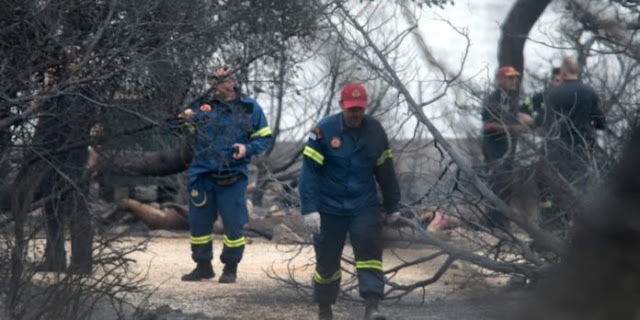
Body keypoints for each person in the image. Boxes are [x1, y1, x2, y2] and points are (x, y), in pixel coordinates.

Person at [299, 82, 401, 320]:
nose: (356, 114)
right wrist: (310, 209)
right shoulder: (323, 131)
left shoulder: (375, 131)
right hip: (328, 208)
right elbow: (309, 172)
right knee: (326, 263)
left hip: (362, 205)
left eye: (359, 109)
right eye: (351, 109)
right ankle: (325, 308)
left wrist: (393, 205)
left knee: (370, 255)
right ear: (341, 106)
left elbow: (385, 170)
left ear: (365, 108)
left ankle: (372, 307)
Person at [180, 65, 272, 283]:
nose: (216, 83)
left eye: (221, 79)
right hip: (202, 173)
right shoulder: (201, 104)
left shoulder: (249, 107)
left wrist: (247, 148)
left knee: (233, 223)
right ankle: (203, 266)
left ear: (233, 81)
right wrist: (185, 119)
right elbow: (176, 129)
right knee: (199, 223)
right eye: (213, 79)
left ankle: (230, 267)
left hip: (232, 175)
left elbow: (264, 137)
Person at [33, 49, 95, 274]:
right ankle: (54, 258)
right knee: (51, 208)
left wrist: (93, 154)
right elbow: (39, 113)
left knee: (78, 209)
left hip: (75, 156)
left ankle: (82, 262)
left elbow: (96, 124)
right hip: (50, 157)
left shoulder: (85, 90)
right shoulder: (53, 92)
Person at [543, 57, 606, 221]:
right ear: (576, 71)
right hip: (582, 147)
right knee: (581, 187)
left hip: (557, 147)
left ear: (563, 72)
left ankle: (558, 225)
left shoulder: (553, 93)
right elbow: (600, 122)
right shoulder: (588, 91)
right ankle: (580, 226)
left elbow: (546, 123)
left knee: (558, 185)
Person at [481, 65, 533, 229]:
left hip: (506, 147)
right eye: (509, 78)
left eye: (514, 78)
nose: (513, 81)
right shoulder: (494, 99)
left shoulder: (508, 99)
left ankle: (502, 221)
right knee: (497, 182)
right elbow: (488, 125)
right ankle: (493, 222)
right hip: (494, 147)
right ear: (500, 80)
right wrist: (512, 128)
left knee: (506, 183)